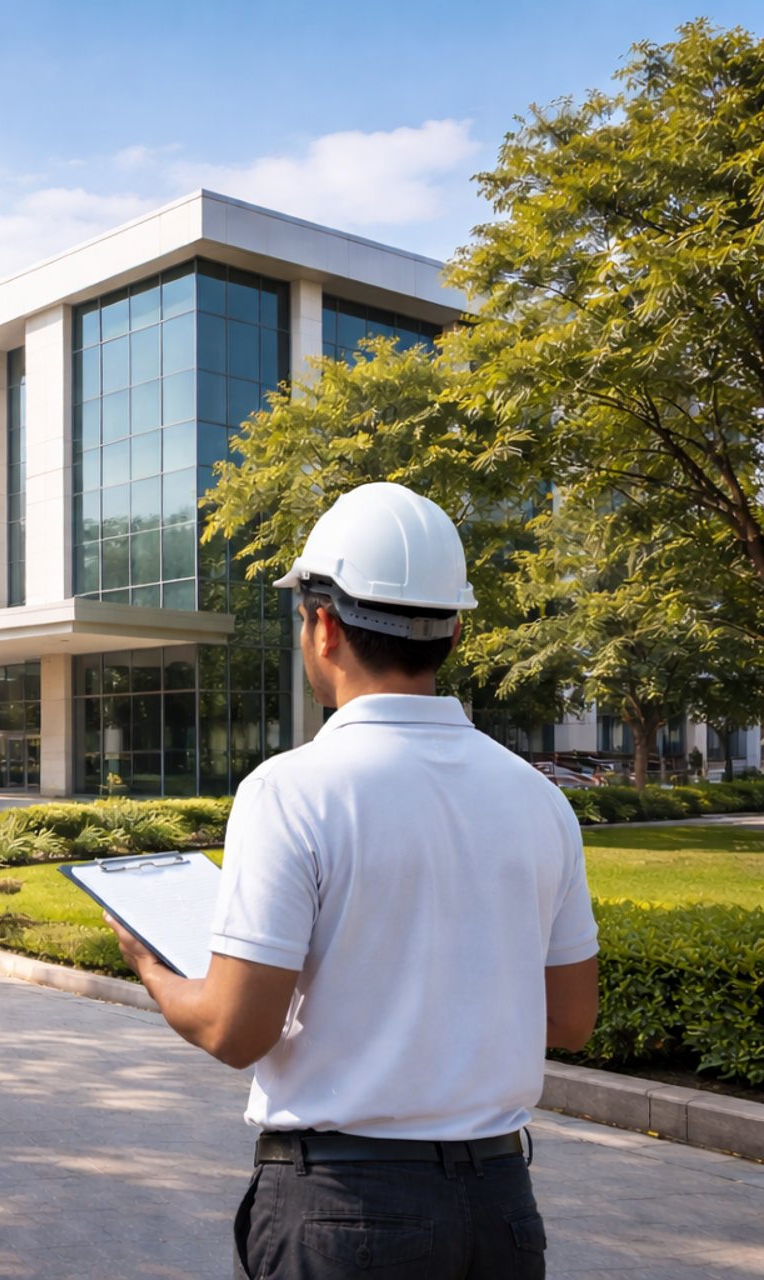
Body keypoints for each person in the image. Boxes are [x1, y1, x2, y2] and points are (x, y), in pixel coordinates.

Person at [107, 482, 599, 1279]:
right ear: (455, 629)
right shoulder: (538, 798)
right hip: (499, 1212)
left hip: (345, 1209)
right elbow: (572, 1018)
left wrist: (151, 966)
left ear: (324, 626)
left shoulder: (292, 791)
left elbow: (236, 1031)